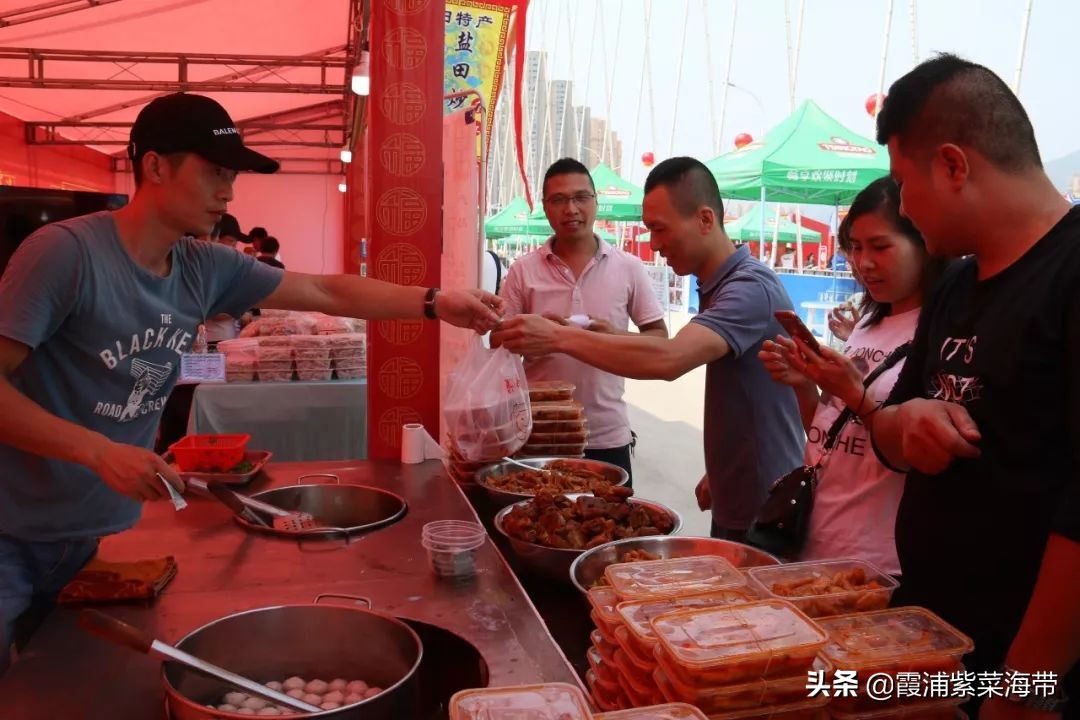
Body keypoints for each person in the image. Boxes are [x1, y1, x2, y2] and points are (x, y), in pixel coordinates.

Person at [0, 92, 502, 676]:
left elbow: (324, 292)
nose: (228, 192)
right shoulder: (65, 255)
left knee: (55, 683)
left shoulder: (203, 266)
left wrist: (437, 303)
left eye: (232, 176)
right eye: (215, 173)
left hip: (100, 538)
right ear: (156, 166)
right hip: (10, 531)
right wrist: (99, 452)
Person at [859, 54, 1079, 718]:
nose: (900, 205)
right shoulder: (955, 283)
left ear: (954, 165)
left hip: (1028, 677)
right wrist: (909, 421)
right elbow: (888, 426)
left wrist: (1018, 692)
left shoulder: (1068, 277)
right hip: (929, 645)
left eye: (902, 183)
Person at [493, 157, 804, 541]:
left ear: (705, 220)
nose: (654, 246)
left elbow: (670, 356)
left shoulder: (748, 288)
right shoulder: (719, 287)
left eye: (659, 230)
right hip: (738, 488)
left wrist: (558, 338)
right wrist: (721, 470)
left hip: (766, 501)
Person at [758, 177, 945, 574]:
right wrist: (804, 384)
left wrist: (853, 392)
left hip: (874, 561)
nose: (864, 263)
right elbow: (826, 434)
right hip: (813, 540)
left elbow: (909, 453)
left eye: (880, 246)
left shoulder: (937, 332)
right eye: (856, 248)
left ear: (925, 245)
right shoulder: (867, 325)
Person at [496, 158, 667, 480]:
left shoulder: (628, 267)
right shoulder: (523, 270)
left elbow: (659, 338)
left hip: (607, 433)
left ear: (595, 202)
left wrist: (613, 336)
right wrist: (526, 334)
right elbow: (498, 344)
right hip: (539, 430)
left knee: (608, 526)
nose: (571, 209)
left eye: (581, 198)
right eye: (558, 200)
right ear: (545, 207)